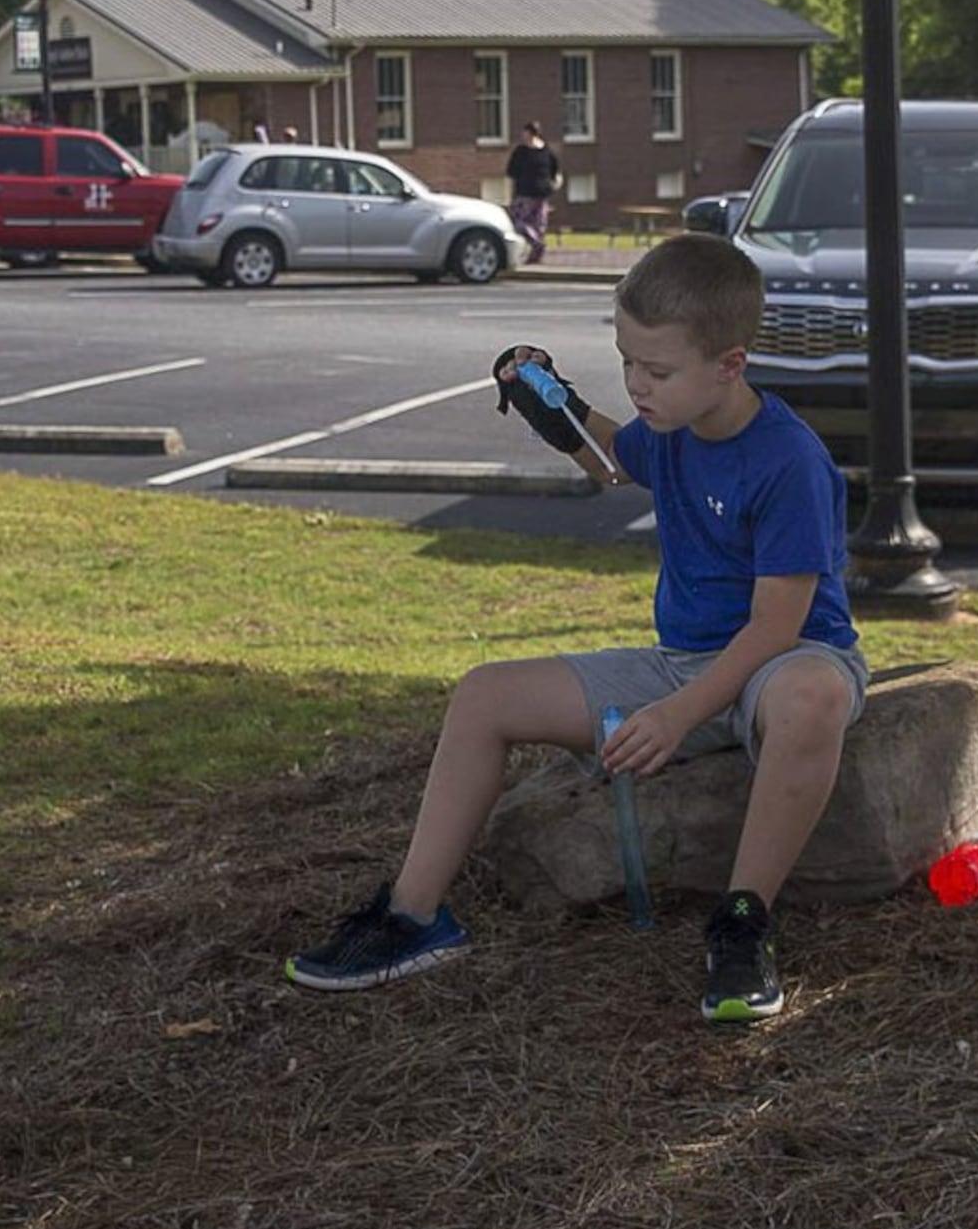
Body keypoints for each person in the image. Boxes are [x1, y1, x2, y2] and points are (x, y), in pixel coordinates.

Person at [285, 232, 867, 1020]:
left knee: (811, 698)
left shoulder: (789, 461)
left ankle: (742, 923)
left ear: (730, 364)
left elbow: (774, 628)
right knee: (484, 696)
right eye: (627, 361)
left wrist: (677, 715)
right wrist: (543, 394)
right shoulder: (671, 429)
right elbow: (609, 457)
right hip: (680, 661)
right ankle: (413, 917)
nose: (637, 384)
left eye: (656, 371)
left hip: (786, 660)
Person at [504, 119, 562, 262]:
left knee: (526, 223)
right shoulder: (533, 151)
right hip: (533, 194)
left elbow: (556, 171)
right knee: (530, 224)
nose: (523, 135)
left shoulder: (532, 151)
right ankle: (537, 248)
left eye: (525, 132)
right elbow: (511, 173)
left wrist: (555, 184)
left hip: (532, 194)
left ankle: (536, 249)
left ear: (530, 133)